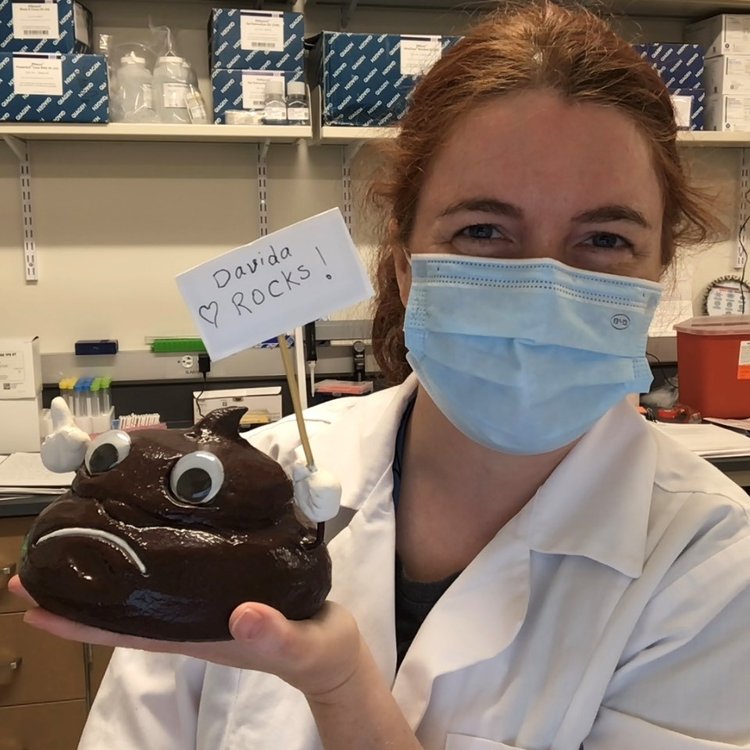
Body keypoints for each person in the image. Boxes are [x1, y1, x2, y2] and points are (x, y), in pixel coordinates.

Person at [10, 1, 750, 747]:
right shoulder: (245, 492)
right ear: (403, 263)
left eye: (604, 238)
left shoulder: (713, 559)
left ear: (659, 270)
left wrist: (341, 690)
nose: (541, 285)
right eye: (483, 231)